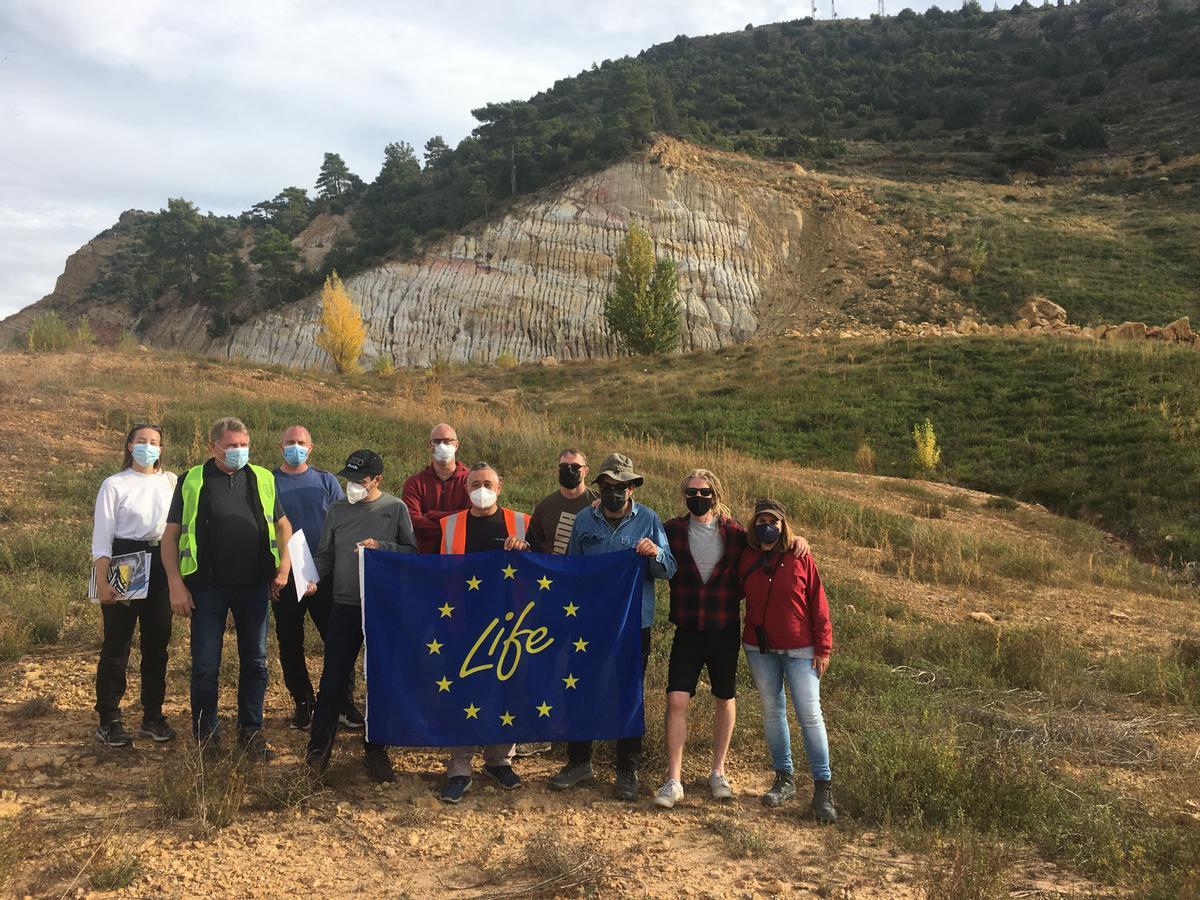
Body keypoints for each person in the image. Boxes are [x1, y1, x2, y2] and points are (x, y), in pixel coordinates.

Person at [654, 470, 810, 809]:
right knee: (676, 701)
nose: (698, 497)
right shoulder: (671, 531)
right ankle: (674, 779)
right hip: (687, 630)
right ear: (684, 496)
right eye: (691, 492)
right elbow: (654, 557)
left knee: (724, 698)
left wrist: (799, 541)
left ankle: (718, 771)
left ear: (715, 493)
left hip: (724, 629)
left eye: (704, 491)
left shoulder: (737, 534)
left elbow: (770, 549)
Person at [161, 416, 294, 759]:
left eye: (243, 446)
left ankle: (250, 733)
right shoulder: (192, 480)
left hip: (254, 588)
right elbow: (171, 536)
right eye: (232, 446)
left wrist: (284, 567)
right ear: (214, 446)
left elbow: (282, 525)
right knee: (206, 666)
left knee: (257, 663)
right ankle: (207, 739)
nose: (239, 451)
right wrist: (176, 585)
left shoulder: (262, 477)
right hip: (207, 589)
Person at [550, 452, 677, 801]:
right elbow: (572, 570)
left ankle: (627, 769)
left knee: (627, 693)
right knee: (580, 688)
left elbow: (669, 570)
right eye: (606, 486)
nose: (612, 492)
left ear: (632, 488)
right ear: (599, 488)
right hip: (588, 623)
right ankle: (579, 762)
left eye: (619, 486)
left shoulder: (649, 520)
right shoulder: (583, 522)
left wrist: (655, 554)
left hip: (632, 623)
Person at [305, 449, 417, 784]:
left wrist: (383, 547)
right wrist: (312, 579)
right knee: (332, 680)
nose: (352, 486)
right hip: (344, 605)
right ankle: (317, 753)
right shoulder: (337, 509)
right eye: (348, 479)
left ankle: (375, 750)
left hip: (382, 608)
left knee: (380, 679)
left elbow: (412, 552)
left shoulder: (395, 508)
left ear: (378, 480)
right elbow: (325, 555)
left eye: (360, 480)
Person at [437, 461, 531, 803]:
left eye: (488, 482)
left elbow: (540, 572)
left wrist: (525, 552)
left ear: (500, 485)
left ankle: (500, 759)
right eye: (475, 483)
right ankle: (459, 766)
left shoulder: (522, 523)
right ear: (466, 487)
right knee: (465, 689)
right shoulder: (450, 526)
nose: (482, 488)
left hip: (510, 623)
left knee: (506, 687)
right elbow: (435, 572)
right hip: (464, 621)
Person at [740, 498, 836, 824]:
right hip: (759, 648)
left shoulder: (800, 556)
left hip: (801, 649)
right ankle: (784, 778)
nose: (767, 525)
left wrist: (823, 648)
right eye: (761, 520)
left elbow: (818, 603)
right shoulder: (748, 555)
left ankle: (823, 787)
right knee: (772, 711)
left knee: (809, 714)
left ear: (784, 525)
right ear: (754, 524)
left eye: (774, 521)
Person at [90, 423, 178, 747]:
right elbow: (102, 538)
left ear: (161, 448)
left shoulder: (172, 482)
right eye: (141, 441)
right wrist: (103, 580)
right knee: (117, 644)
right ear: (129, 446)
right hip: (125, 560)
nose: (148, 446)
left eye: (154, 442)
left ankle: (153, 717)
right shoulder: (114, 484)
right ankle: (108, 719)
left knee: (157, 644)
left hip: (163, 561)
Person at [272, 425, 363, 732]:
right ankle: (303, 703)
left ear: (311, 448)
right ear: (279, 446)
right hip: (285, 575)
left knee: (337, 640)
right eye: (290, 442)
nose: (295, 447)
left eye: (301, 443)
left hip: (325, 573)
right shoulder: (268, 482)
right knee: (290, 642)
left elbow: (343, 521)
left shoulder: (326, 481)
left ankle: (342, 702)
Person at [516, 448, 597, 758]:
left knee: (582, 664)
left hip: (587, 599)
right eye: (564, 465)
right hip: (552, 597)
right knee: (543, 662)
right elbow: (535, 547)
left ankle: (579, 731)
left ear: (586, 469)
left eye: (575, 465)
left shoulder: (596, 503)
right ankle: (541, 729)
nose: (569, 470)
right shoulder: (547, 506)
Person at [402, 423, 470, 554]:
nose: (442, 446)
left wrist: (432, 515)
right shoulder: (414, 483)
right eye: (436, 441)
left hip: (462, 554)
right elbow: (412, 520)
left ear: (456, 445)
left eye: (447, 441)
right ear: (430, 446)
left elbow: (471, 518)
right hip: (424, 557)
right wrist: (453, 524)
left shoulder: (471, 481)